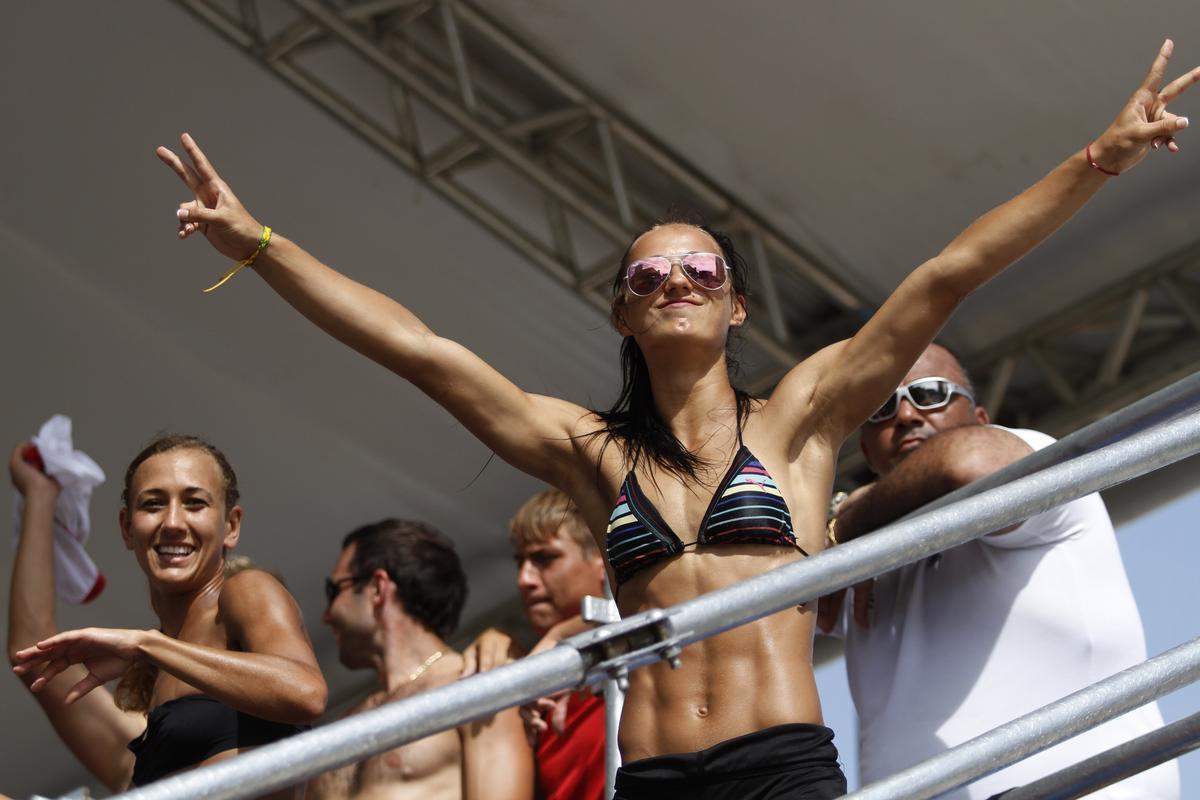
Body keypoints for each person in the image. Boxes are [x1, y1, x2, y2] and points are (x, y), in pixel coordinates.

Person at [156, 40, 1196, 799]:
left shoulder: (799, 422)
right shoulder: (591, 453)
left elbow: (946, 274)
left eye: (702, 268)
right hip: (651, 775)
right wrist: (261, 246)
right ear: (622, 311)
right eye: (648, 275)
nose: (677, 282)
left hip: (780, 764)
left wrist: (1099, 159)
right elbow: (416, 348)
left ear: (736, 304)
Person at [817, 344, 1180, 799]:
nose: (906, 414)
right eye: (881, 407)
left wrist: (846, 522)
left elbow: (970, 461)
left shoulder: (1031, 454)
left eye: (931, 393)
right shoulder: (863, 560)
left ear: (981, 418)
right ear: (866, 450)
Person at [7, 435, 326, 793]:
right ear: (127, 528)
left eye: (195, 503)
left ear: (231, 526)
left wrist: (148, 645)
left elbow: (305, 693)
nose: (173, 522)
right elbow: (33, 655)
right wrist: (39, 496)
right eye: (154, 504)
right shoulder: (155, 712)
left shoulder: (245, 591)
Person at [310, 518, 533, 800]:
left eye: (334, 591)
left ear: (378, 588)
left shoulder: (474, 684)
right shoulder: (344, 725)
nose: (326, 616)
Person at [460, 489, 608, 800]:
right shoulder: (519, 665)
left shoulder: (652, 647)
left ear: (602, 559)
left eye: (544, 558)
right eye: (520, 562)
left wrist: (561, 636)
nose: (523, 579)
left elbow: (659, 605)